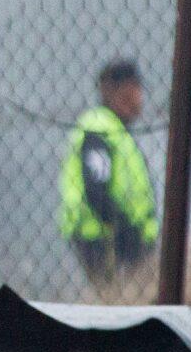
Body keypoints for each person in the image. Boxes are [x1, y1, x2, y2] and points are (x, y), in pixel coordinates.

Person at [57, 59, 156, 291]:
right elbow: (95, 188)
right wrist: (124, 229)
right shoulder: (99, 127)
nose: (139, 99)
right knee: (116, 298)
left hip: (120, 234)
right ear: (112, 92)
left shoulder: (117, 129)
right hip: (105, 237)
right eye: (132, 90)